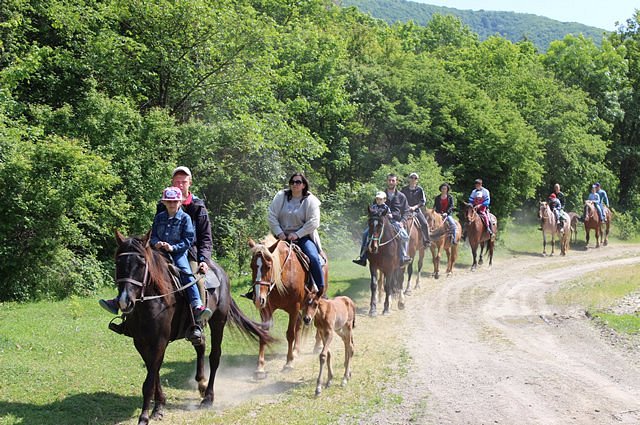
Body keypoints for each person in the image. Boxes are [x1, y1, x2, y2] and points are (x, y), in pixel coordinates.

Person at [101, 166, 217, 341]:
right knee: (137, 270)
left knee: (193, 278)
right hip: (159, 251)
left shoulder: (197, 207)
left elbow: (203, 237)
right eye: (177, 181)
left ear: (189, 183)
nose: (180, 184)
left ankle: (197, 318)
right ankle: (123, 309)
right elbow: (153, 233)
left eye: (183, 181)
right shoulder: (161, 211)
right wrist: (156, 243)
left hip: (186, 252)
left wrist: (203, 259)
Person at [268, 172, 326, 297]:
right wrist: (280, 233)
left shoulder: (310, 200)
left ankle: (320, 289)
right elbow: (272, 215)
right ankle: (259, 290)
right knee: (262, 256)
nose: (295, 184)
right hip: (281, 236)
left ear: (304, 185)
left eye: (298, 182)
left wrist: (297, 234)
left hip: (303, 237)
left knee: (313, 257)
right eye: (292, 182)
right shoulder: (281, 196)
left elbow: (314, 221)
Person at [353, 173, 411, 266]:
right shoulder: (380, 195)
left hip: (394, 222)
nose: (391, 182)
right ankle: (362, 257)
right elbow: (373, 210)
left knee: (405, 236)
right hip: (380, 222)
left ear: (397, 182)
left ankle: (403, 257)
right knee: (365, 234)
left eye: (393, 180)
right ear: (386, 181)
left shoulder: (401, 196)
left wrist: (402, 222)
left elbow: (407, 211)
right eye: (389, 180)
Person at [401, 172, 431, 247]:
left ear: (417, 180)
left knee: (424, 223)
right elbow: (400, 199)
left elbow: (422, 201)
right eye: (412, 177)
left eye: (415, 178)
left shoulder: (420, 190)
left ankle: (426, 241)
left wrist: (415, 207)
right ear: (409, 179)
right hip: (405, 210)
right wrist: (407, 207)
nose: (413, 179)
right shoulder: (404, 189)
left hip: (416, 210)